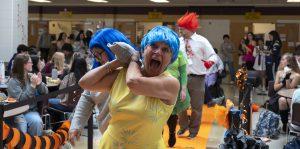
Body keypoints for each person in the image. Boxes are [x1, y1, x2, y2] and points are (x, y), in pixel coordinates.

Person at [79, 26, 180, 148]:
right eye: (153, 46)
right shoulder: (123, 74)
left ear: (171, 59)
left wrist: (134, 61)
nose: (158, 52)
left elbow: (133, 83)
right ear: (143, 50)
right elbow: (84, 83)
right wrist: (116, 62)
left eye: (165, 49)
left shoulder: (171, 84)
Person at [68, 28, 137, 147]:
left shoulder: (134, 70)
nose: (97, 59)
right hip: (108, 135)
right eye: (94, 55)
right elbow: (87, 95)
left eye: (99, 54)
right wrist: (76, 125)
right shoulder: (101, 71)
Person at [177, 12, 218, 139]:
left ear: (189, 28)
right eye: (179, 28)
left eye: (182, 28)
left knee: (196, 106)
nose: (180, 31)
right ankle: (183, 127)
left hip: (197, 78)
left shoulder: (202, 41)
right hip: (181, 78)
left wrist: (209, 62)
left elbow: (213, 55)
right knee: (180, 104)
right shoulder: (178, 42)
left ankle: (194, 130)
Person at [7, 54, 48, 136]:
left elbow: (45, 92)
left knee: (37, 122)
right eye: (30, 62)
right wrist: (33, 86)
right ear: (23, 65)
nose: (32, 64)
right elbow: (22, 100)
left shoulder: (31, 77)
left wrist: (39, 84)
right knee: (21, 126)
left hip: (30, 111)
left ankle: (34, 144)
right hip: (17, 112)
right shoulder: (13, 82)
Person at [48, 55, 88, 131]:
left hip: (67, 106)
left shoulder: (69, 77)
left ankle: (57, 126)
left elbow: (60, 95)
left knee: (48, 101)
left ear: (73, 65)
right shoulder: (88, 77)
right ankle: (63, 124)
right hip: (82, 107)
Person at [166, 50, 190, 147]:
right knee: (157, 112)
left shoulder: (178, 52)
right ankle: (159, 136)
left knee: (172, 113)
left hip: (174, 88)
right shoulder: (155, 51)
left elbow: (183, 72)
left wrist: (183, 89)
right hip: (158, 86)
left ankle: (172, 133)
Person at [274, 53, 300, 132]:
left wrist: (287, 78)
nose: (281, 61)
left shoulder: (297, 75)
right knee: (282, 100)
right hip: (279, 94)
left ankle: (294, 123)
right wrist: (283, 81)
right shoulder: (279, 73)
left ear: (289, 62)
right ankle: (285, 124)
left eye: (283, 59)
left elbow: (290, 88)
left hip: (291, 95)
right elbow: (275, 88)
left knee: (289, 100)